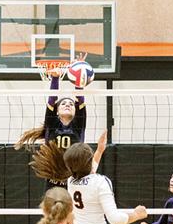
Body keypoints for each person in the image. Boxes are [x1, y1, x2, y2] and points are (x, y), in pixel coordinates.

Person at [16, 53, 106, 188]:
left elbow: (79, 99)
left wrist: (79, 77)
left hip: (74, 180)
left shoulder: (78, 125)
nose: (68, 104)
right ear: (57, 111)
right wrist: (55, 78)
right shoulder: (51, 124)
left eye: (70, 104)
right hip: (53, 179)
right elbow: (52, 99)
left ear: (75, 111)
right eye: (63, 104)